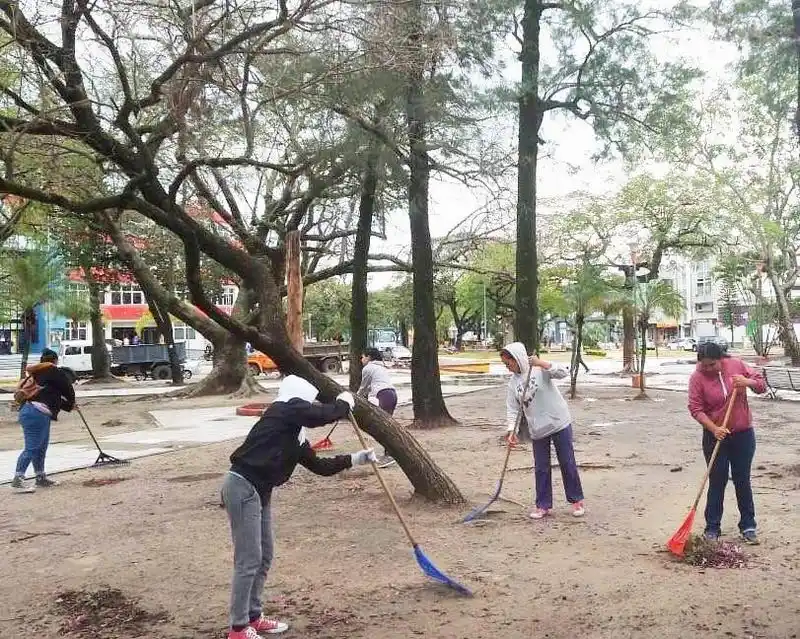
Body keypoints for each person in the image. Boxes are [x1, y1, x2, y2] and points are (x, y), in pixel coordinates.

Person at [221, 375, 377, 639]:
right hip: (242, 485)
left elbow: (320, 467)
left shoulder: (295, 435)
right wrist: (343, 405)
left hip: (261, 490)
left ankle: (253, 617)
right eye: (307, 402)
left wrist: (355, 459)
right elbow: (319, 415)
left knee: (265, 555)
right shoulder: (283, 410)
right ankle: (238, 628)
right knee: (248, 559)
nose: (308, 406)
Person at [688, 341, 767, 544]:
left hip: (743, 434)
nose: (708, 369)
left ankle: (748, 526)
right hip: (715, 437)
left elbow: (761, 385)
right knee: (717, 480)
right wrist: (714, 429)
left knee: (742, 480)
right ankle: (712, 528)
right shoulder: (697, 378)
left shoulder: (736, 365)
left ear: (721, 360)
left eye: (712, 364)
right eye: (703, 365)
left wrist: (746, 382)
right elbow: (696, 409)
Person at [501, 342, 585, 519]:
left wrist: (541, 363)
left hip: (558, 422)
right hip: (537, 428)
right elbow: (513, 408)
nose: (508, 368)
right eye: (505, 365)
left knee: (567, 461)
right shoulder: (513, 383)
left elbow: (562, 372)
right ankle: (543, 505)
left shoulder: (538, 370)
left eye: (509, 363)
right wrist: (512, 431)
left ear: (517, 359)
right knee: (541, 467)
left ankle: (576, 500)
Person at [11, 348, 76, 493]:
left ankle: (40, 477)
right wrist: (71, 402)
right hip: (37, 413)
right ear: (54, 360)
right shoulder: (53, 371)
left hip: (30, 411)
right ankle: (18, 478)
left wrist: (69, 406)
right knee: (32, 448)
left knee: (40, 447)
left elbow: (51, 397)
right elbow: (67, 389)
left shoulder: (37, 374)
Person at [357, 347, 398, 468]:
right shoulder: (380, 367)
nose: (361, 359)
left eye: (363, 356)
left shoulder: (368, 368)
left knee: (384, 428)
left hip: (384, 395)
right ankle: (389, 453)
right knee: (387, 426)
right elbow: (370, 387)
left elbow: (363, 387)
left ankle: (389, 455)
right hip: (392, 394)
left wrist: (354, 398)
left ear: (369, 357)